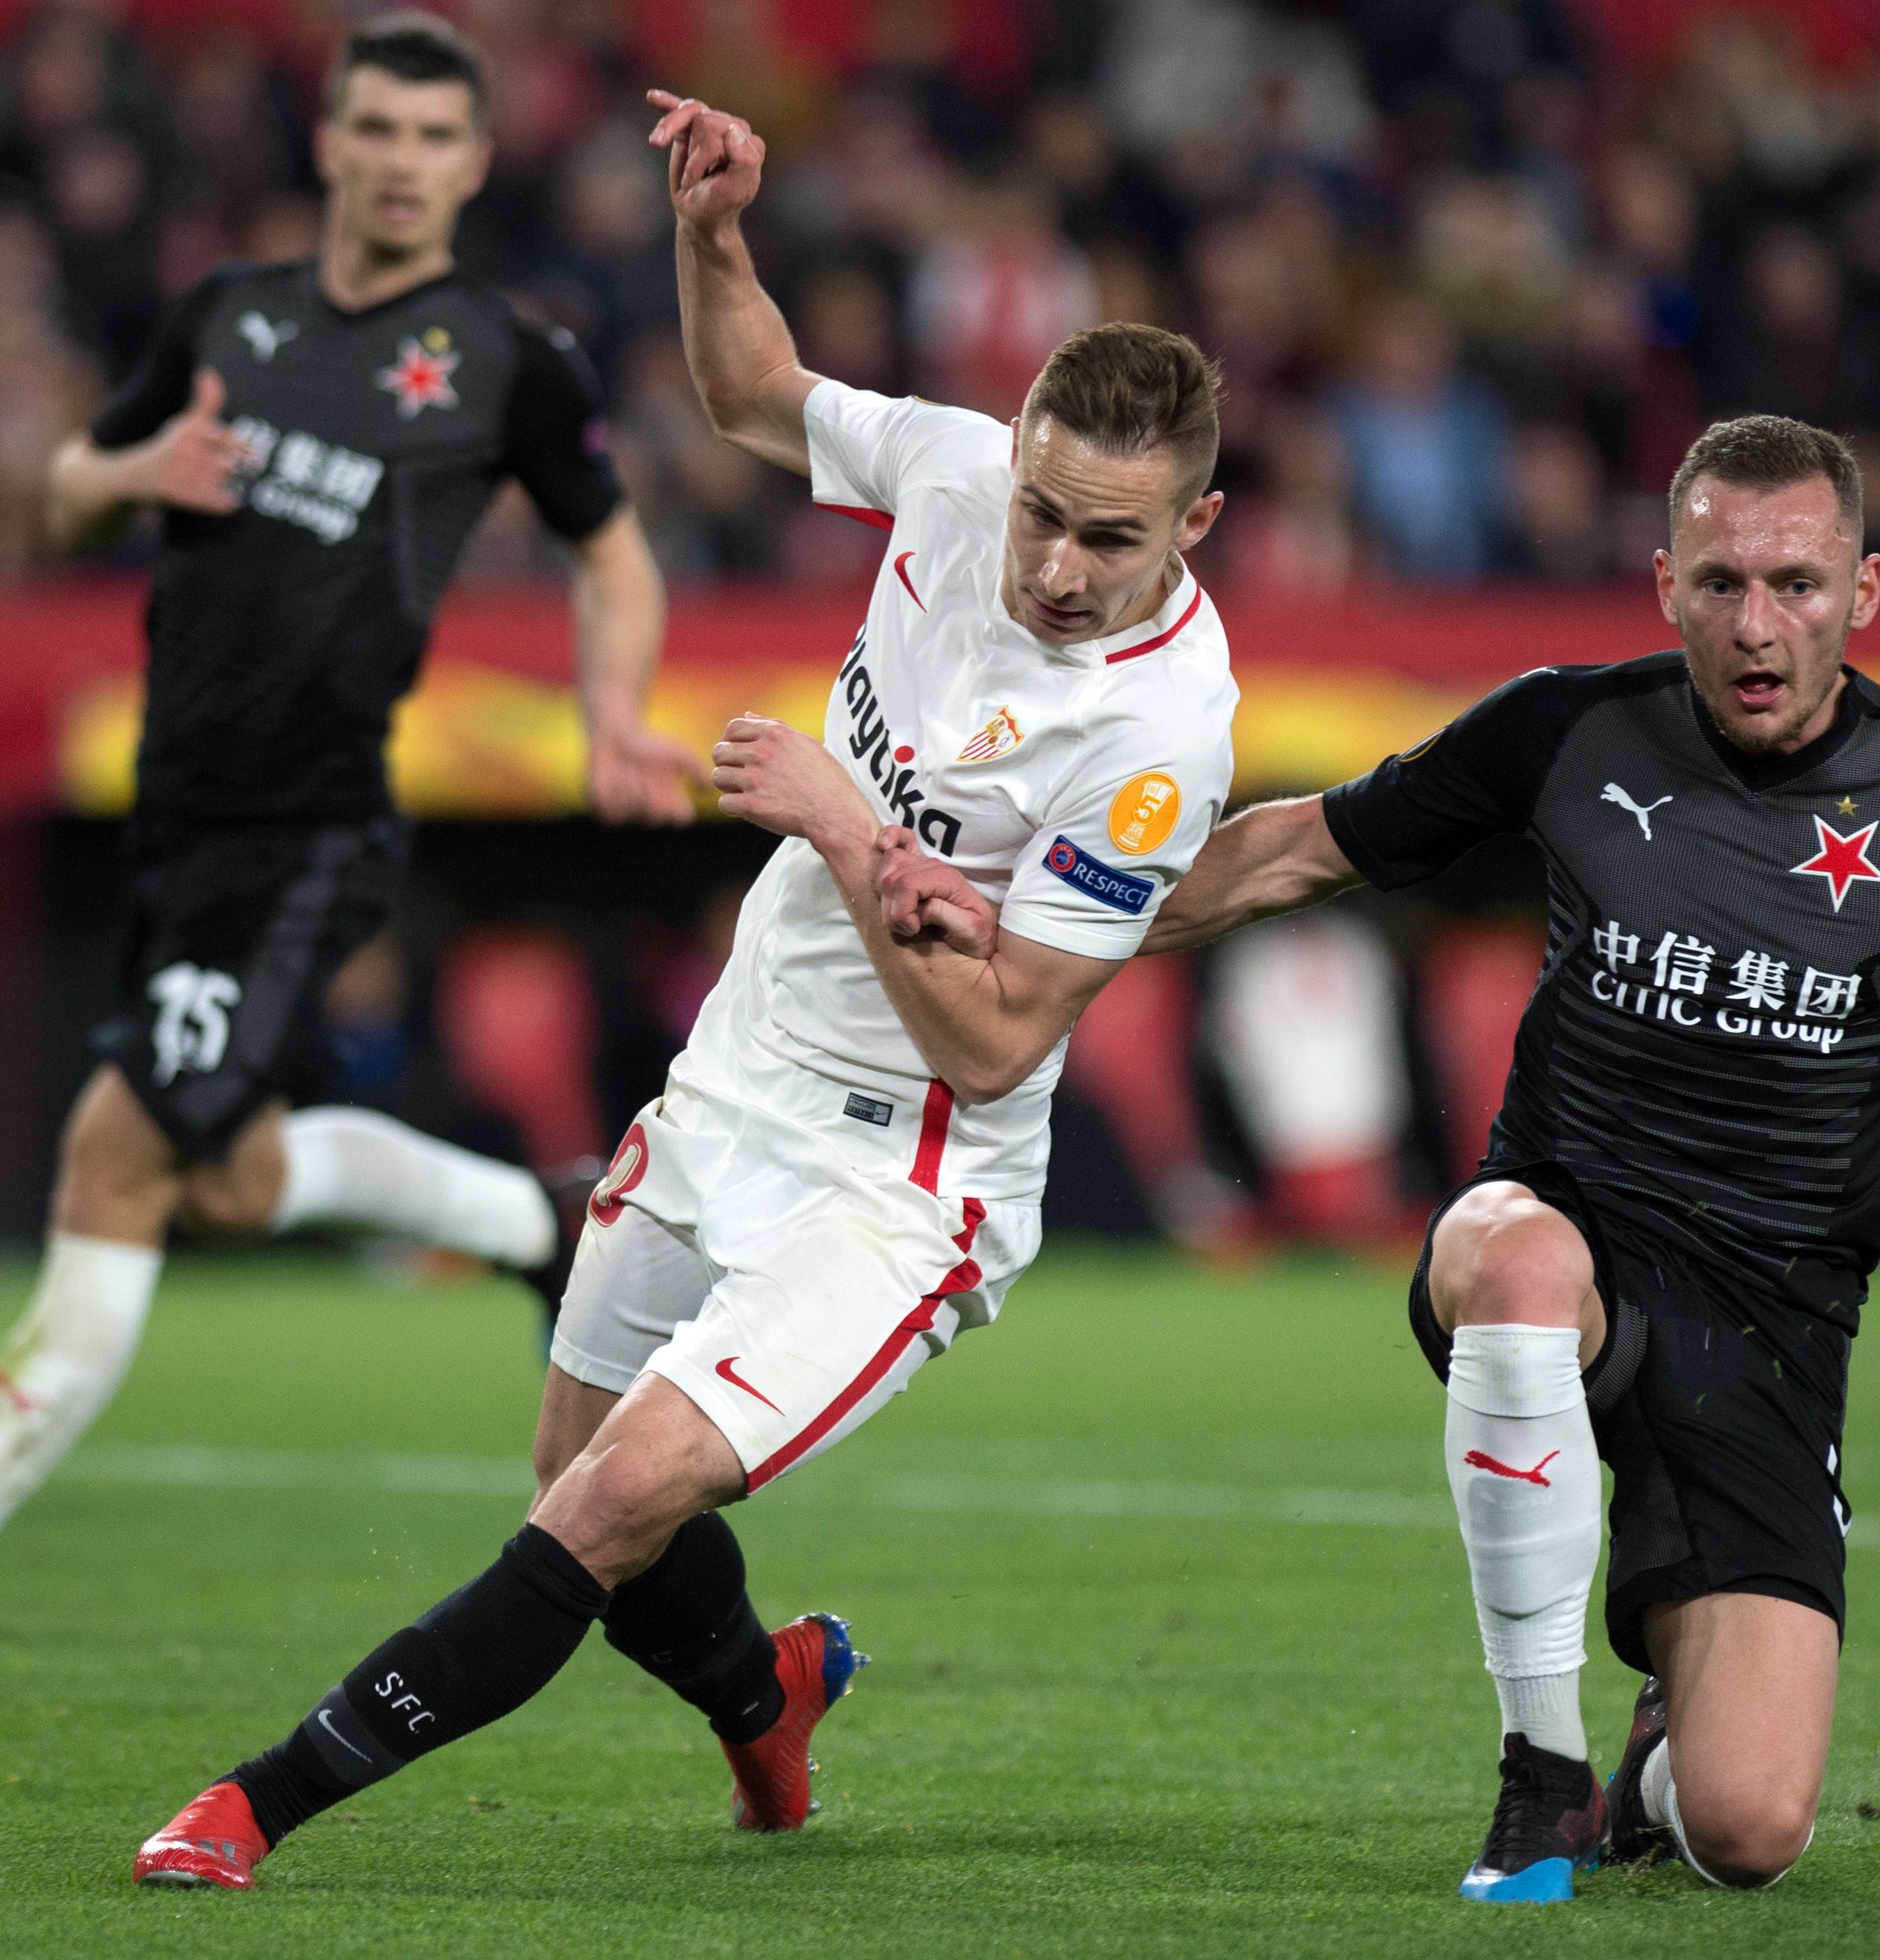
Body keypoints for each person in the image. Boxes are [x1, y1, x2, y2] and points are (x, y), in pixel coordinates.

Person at [881, 413, 1880, 1903]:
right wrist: (1026, 909)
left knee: (1749, 1830)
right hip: (1562, 1229)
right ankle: (1538, 1773)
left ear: (1861, 595)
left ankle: (1650, 1768)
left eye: (1796, 585)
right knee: (1517, 1260)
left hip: (1774, 1322)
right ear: (1665, 581)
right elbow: (1291, 852)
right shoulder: (1569, 727)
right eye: (1720, 581)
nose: (1756, 623)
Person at [126, 89, 1236, 1891]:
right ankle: (769, 1696)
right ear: (1012, 445)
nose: (1050, 564)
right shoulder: (957, 466)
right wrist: (712, 235)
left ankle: (257, 1801)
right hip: (741, 1067)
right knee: (576, 1480)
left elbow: (1013, 1029)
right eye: (1038, 509)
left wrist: (850, 823)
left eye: (1108, 540)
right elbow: (749, 397)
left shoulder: (1159, 734)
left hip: (906, 1179)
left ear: (1197, 517)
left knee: (616, 1496)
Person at [0, 15, 699, 1636]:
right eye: (373, 127)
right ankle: (533, 1218)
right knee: (212, 1181)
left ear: (473, 161)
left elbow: (617, 554)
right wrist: (136, 463)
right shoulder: (230, 313)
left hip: (303, 830)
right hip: (177, 811)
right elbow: (68, 489)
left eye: (434, 137)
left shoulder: (504, 358)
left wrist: (614, 712)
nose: (398, 160)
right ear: (330, 141)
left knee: (115, 1149)